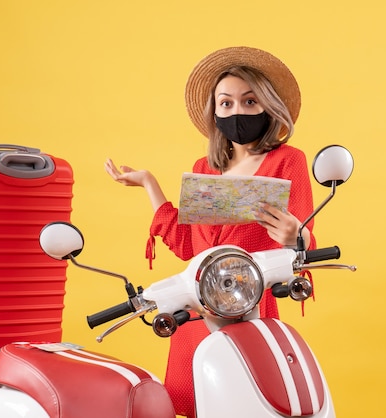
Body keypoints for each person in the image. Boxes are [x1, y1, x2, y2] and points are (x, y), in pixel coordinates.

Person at [105, 46, 316, 418]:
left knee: (253, 398)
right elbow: (189, 245)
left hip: (249, 304)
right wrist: (150, 185)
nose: (237, 112)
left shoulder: (288, 160)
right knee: (195, 400)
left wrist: (297, 236)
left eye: (250, 102)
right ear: (214, 112)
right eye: (226, 103)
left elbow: (302, 243)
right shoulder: (205, 167)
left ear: (268, 107)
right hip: (199, 308)